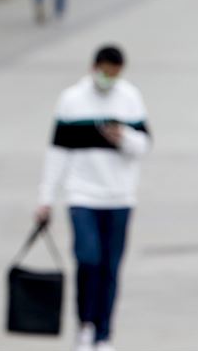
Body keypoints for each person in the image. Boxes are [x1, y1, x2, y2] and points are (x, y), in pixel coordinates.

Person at [35, 45, 151, 351]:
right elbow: (57, 153)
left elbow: (144, 144)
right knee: (88, 258)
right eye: (105, 72)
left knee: (111, 267)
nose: (109, 79)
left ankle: (104, 333)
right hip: (82, 194)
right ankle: (85, 323)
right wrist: (46, 197)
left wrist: (123, 137)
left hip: (120, 197)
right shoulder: (72, 100)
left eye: (115, 74)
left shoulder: (130, 98)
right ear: (94, 67)